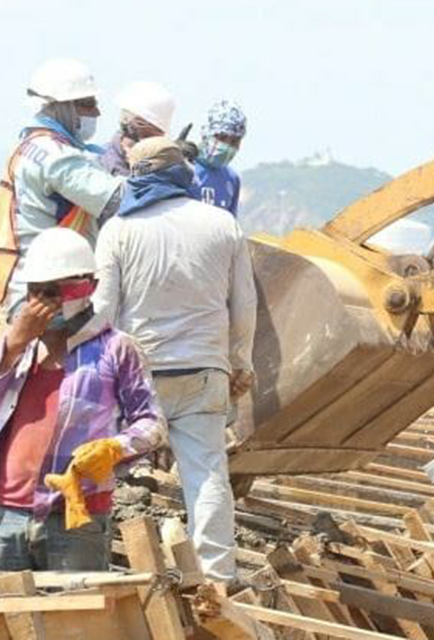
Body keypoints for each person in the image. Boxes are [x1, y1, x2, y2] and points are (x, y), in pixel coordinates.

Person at [0, 228, 165, 572]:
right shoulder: (21, 348)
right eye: (35, 293)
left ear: (88, 287)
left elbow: (151, 424)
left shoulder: (115, 349)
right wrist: (13, 344)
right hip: (7, 514)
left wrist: (114, 448)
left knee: (72, 620)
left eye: (53, 292)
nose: (43, 305)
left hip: (77, 516)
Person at [94, 137, 256, 585]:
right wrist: (239, 362)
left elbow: (103, 310)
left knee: (103, 463)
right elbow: (244, 305)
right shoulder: (222, 224)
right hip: (205, 371)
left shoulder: (119, 230)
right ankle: (218, 577)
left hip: (139, 376)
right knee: (207, 476)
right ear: (181, 171)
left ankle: (94, 561)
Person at [0, 58, 126, 312]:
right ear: (64, 106)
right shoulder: (55, 155)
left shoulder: (34, 145)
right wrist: (161, 173)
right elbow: (115, 200)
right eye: (88, 104)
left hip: (38, 285)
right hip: (49, 294)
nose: (97, 113)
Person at [100, 81, 177, 176]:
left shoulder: (160, 166)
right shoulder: (99, 163)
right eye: (148, 136)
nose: (153, 144)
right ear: (129, 127)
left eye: (158, 139)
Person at [192, 100, 247, 215]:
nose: (227, 146)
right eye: (221, 137)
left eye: (234, 141)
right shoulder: (183, 168)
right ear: (206, 134)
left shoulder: (232, 178)